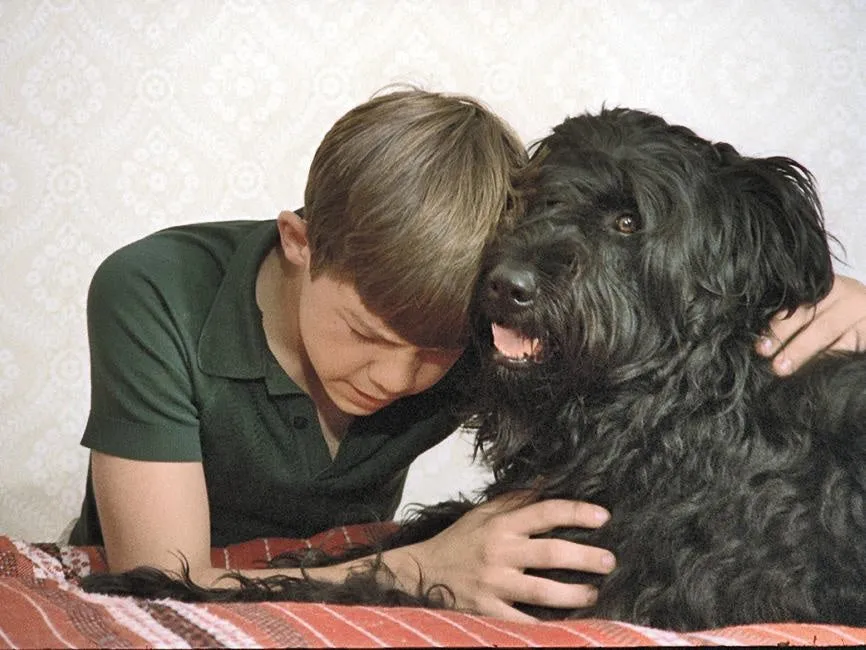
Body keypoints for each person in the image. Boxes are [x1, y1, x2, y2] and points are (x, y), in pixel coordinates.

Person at [69, 87, 866, 622]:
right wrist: (421, 568)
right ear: (300, 242)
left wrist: (834, 292)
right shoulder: (155, 290)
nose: (395, 378)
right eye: (367, 334)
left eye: (438, 350)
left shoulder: (515, 341)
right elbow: (160, 585)